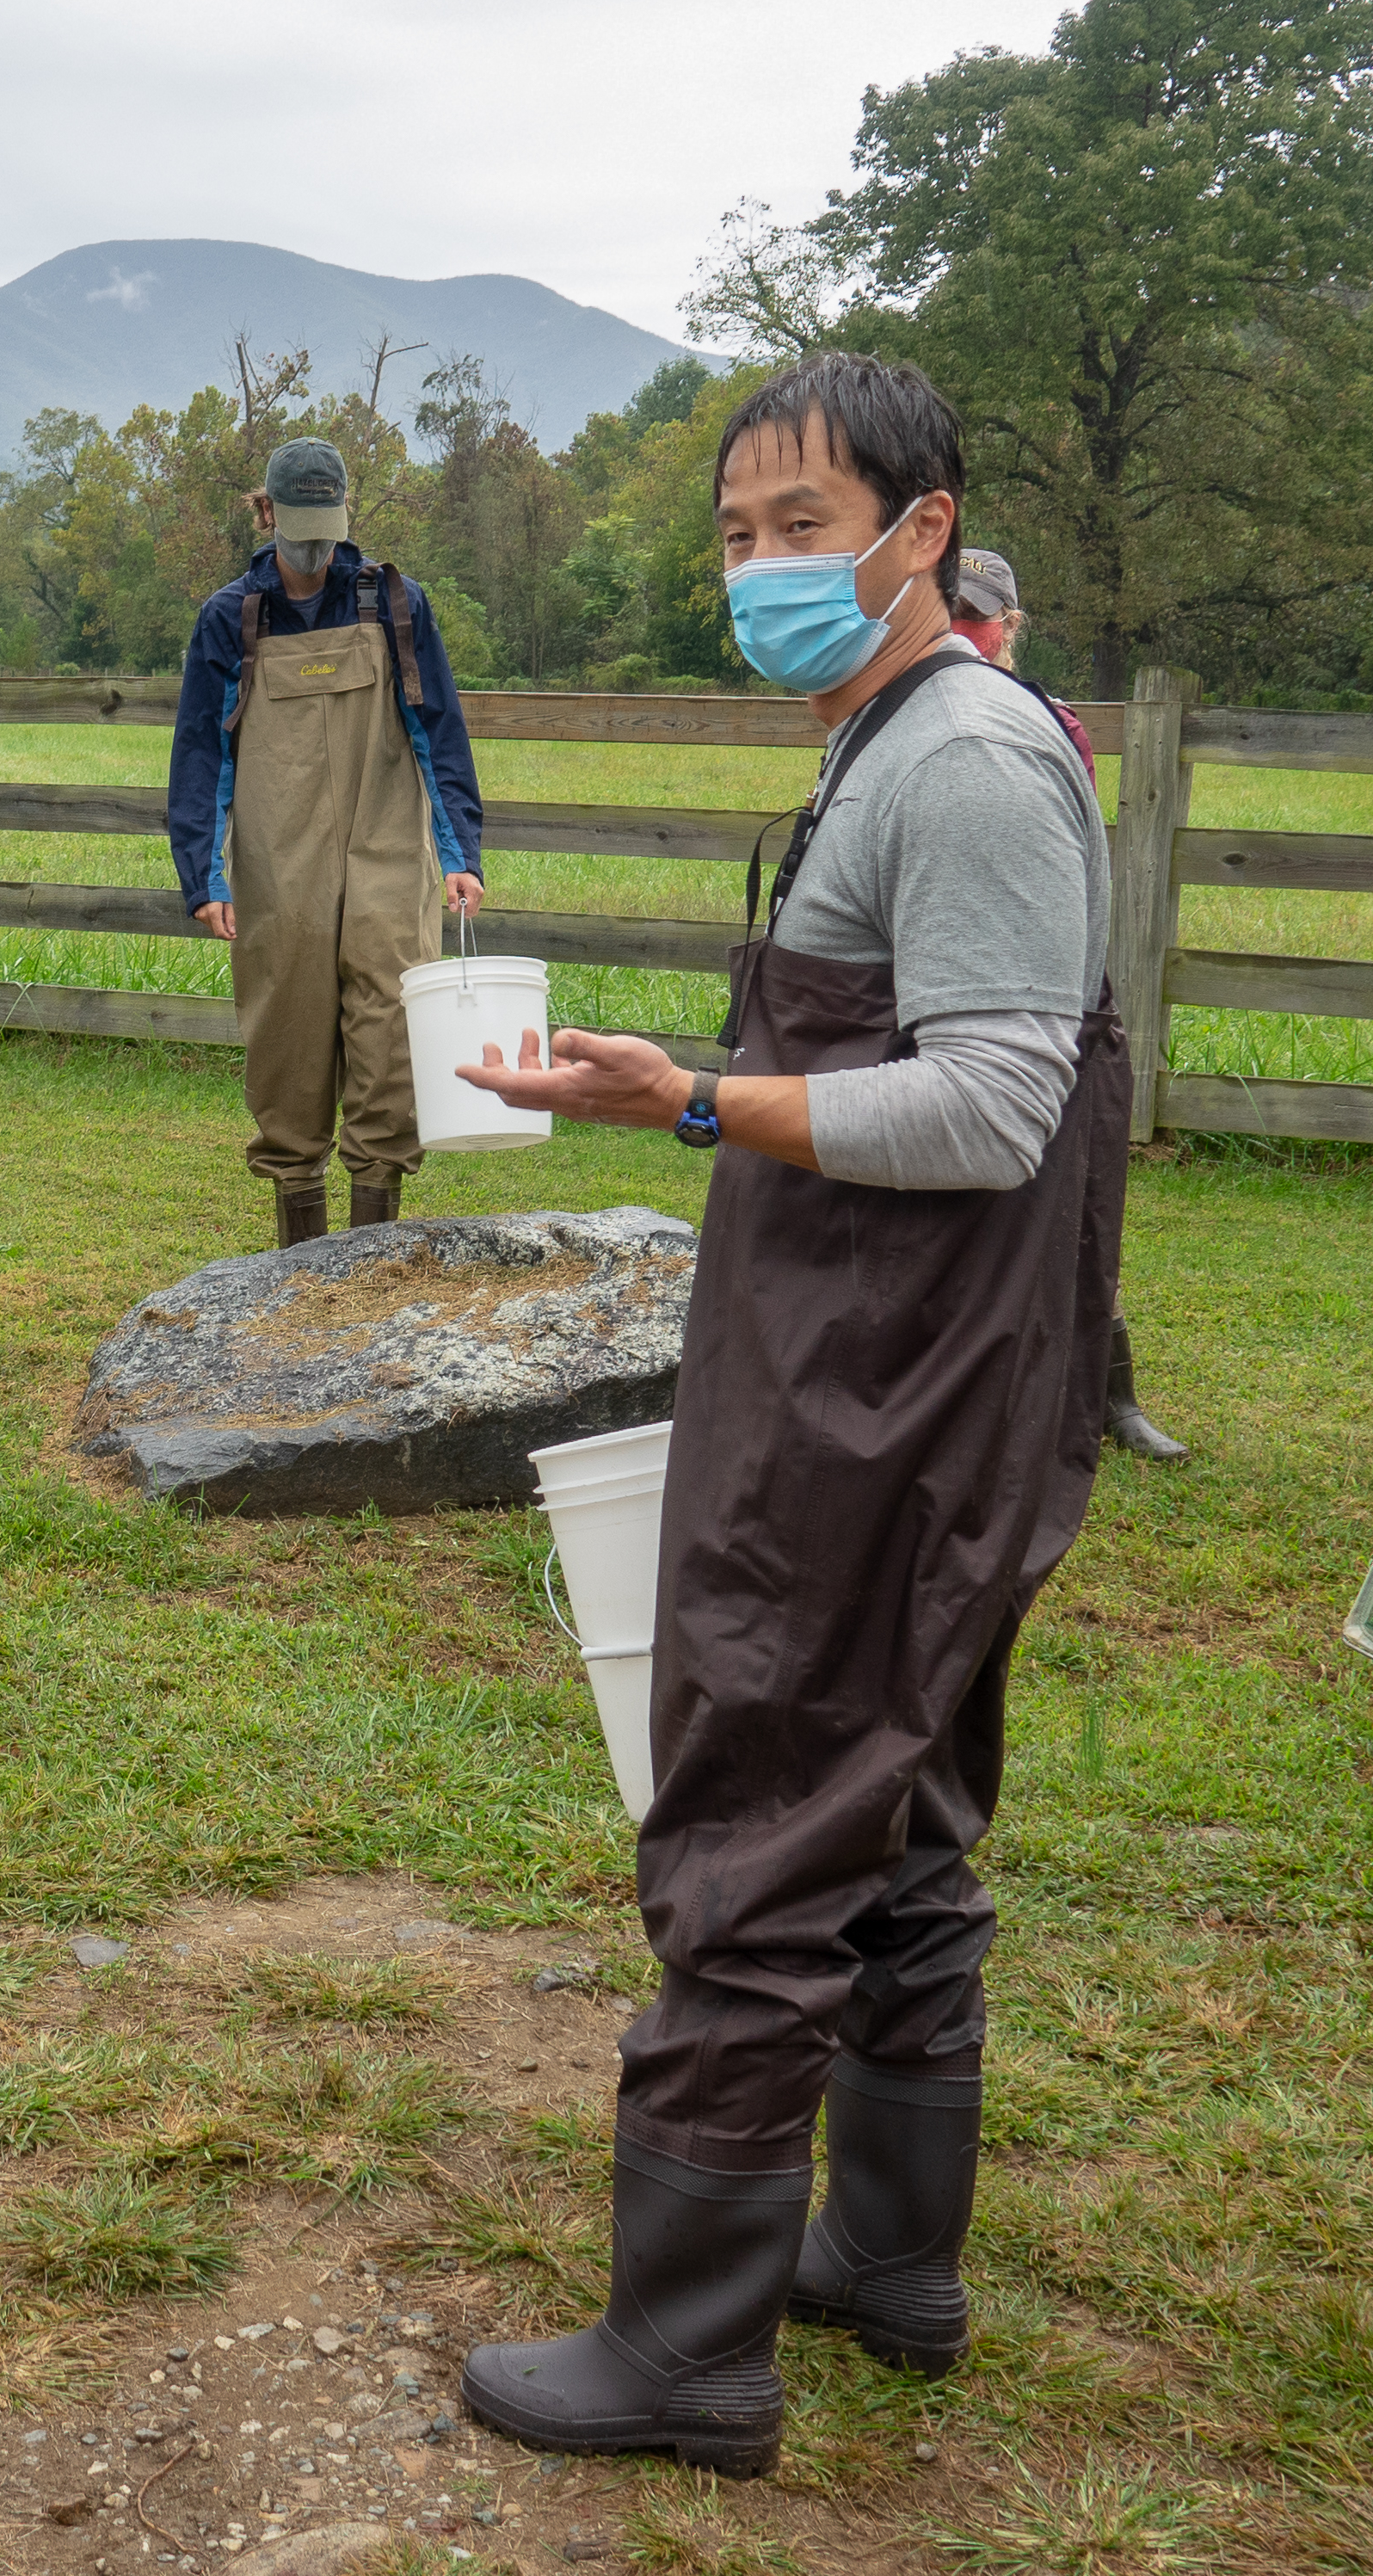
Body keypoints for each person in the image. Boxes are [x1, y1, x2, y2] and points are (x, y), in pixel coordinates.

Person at [441, 355, 1126, 2465]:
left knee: (759, 1798)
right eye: (735, 537)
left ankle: (682, 2352)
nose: (759, 572)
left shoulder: (972, 763)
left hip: (884, 1393)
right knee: (895, 1801)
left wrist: (692, 1101)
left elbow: (998, 1103)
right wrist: (689, 1103)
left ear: (918, 532)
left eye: (800, 528)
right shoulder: (888, 736)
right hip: (890, 1358)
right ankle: (885, 2263)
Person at [165, 438, 489, 1245]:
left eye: (327, 525)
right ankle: (299, 1260)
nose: (314, 545)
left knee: (391, 1038)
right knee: (289, 1038)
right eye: (298, 524)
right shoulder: (231, 619)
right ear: (266, 512)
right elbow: (202, 754)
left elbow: (438, 730)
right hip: (280, 865)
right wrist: (204, 877)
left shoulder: (395, 605)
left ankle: (370, 1255)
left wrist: (460, 855)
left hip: (387, 851)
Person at [950, 547, 1185, 1464]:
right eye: (952, 612)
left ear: (1010, 627)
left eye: (981, 615)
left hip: (1052, 990)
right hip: (943, 990)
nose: (967, 630)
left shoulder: (1055, 727)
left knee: (1081, 1195)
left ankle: (1105, 1394)